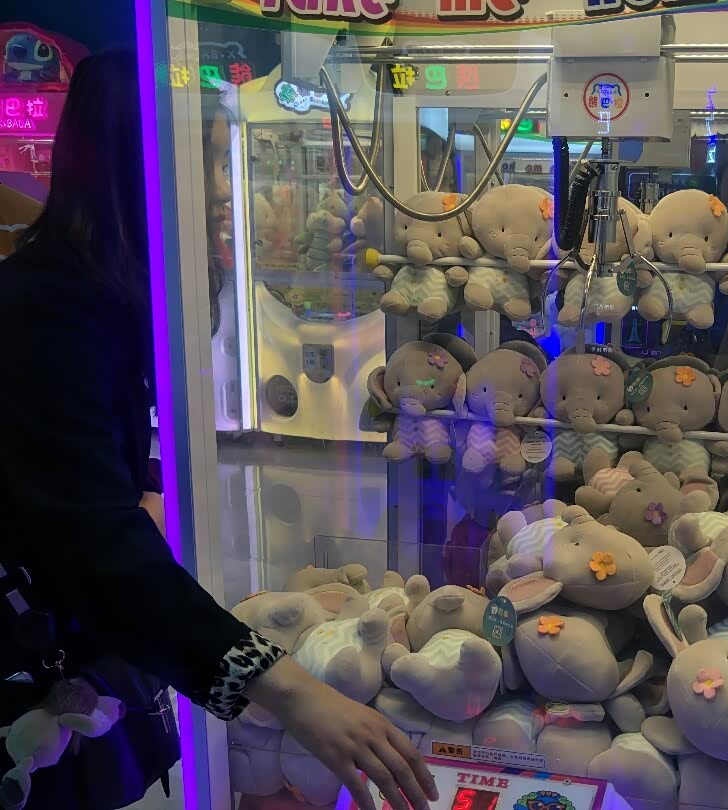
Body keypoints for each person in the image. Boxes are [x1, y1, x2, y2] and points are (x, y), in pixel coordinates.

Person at [0, 50, 437, 810]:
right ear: (135, 163)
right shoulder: (47, 311)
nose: (219, 190)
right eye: (202, 159)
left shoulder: (97, 296)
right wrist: (290, 689)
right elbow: (95, 543)